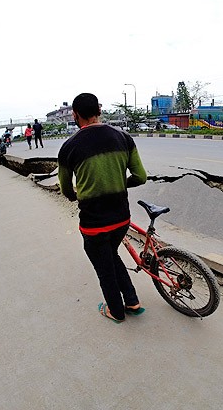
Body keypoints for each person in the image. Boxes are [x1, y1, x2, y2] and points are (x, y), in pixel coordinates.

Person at [58, 93, 147, 323]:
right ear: (99, 109)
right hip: (122, 219)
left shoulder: (68, 148)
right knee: (110, 255)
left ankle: (116, 311)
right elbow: (140, 176)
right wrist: (118, 183)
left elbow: (67, 191)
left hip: (94, 224)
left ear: (75, 115)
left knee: (103, 267)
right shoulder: (123, 137)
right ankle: (132, 300)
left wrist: (78, 193)